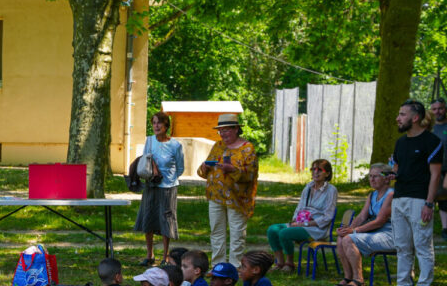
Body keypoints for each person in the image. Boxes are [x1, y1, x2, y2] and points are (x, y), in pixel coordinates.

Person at [380, 99, 442, 286]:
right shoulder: (400, 143)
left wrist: (429, 203)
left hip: (419, 201)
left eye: (402, 114)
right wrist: (392, 176)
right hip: (399, 199)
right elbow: (397, 169)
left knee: (423, 245)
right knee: (402, 246)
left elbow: (435, 176)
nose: (398, 118)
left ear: (415, 118)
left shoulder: (432, 142)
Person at [197, 114, 259, 267]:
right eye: (221, 131)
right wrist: (205, 167)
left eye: (227, 130)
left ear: (236, 129)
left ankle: (235, 266)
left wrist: (232, 169)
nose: (223, 134)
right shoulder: (218, 146)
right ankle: (218, 265)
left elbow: (251, 173)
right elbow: (204, 171)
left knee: (237, 233)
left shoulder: (247, 148)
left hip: (237, 199)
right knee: (216, 232)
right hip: (215, 196)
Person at [265, 158, 338, 273]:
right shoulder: (308, 187)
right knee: (272, 230)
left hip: (316, 228)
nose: (315, 172)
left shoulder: (331, 190)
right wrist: (295, 220)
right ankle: (280, 263)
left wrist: (305, 223)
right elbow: (299, 207)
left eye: (320, 170)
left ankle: (289, 264)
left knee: (285, 233)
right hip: (301, 223)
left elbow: (328, 216)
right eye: (313, 169)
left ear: (327, 173)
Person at [134, 111, 185, 267]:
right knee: (148, 218)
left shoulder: (175, 145)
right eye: (154, 123)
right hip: (151, 185)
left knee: (166, 220)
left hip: (168, 187)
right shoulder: (149, 141)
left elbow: (180, 167)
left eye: (159, 123)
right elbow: (144, 161)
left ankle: (166, 256)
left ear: (166, 125)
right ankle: (150, 255)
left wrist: (168, 178)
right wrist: (153, 175)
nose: (156, 126)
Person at [335, 163, 395, 286]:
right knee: (342, 238)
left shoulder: (391, 194)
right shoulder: (372, 195)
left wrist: (354, 231)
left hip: (390, 235)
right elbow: (362, 217)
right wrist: (348, 229)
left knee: (349, 239)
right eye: (370, 176)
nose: (372, 180)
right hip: (376, 233)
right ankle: (348, 277)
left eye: (376, 176)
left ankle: (358, 279)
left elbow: (380, 221)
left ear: (386, 178)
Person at [430, 97, 447, 240]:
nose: (438, 111)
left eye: (440, 108)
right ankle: (426, 228)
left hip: (446, 169)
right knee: (429, 198)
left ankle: (445, 229)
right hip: (430, 170)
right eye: (434, 109)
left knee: (445, 200)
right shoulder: (428, 128)